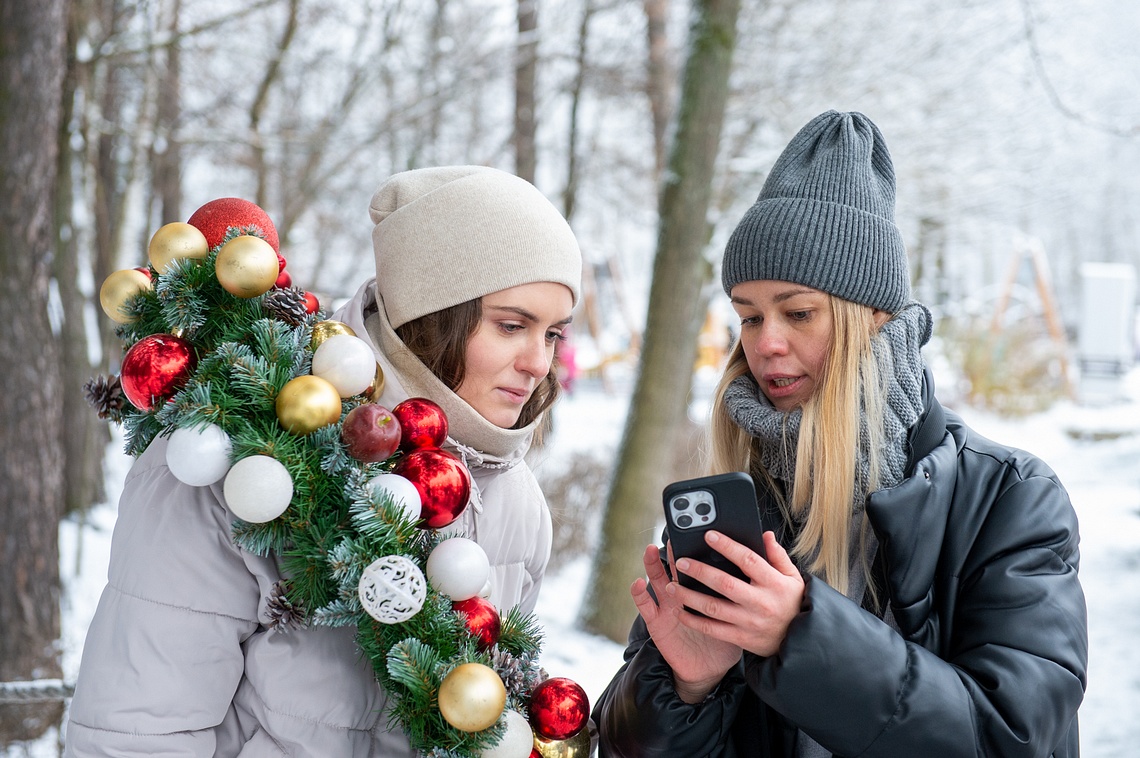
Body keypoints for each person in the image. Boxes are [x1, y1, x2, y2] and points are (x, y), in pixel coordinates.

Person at [592, 111, 1087, 757]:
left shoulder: (1009, 498)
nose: (766, 343)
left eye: (798, 313)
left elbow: (1011, 736)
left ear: (874, 318)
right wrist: (685, 688)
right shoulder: (735, 513)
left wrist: (800, 635)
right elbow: (624, 746)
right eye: (748, 316)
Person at [65, 166, 582, 755]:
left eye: (553, 335)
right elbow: (137, 729)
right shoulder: (240, 462)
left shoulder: (518, 500)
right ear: (432, 316)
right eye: (512, 326)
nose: (539, 363)